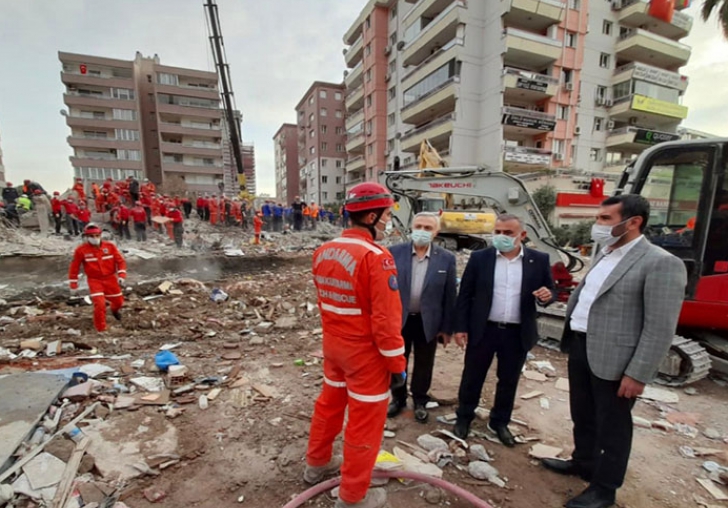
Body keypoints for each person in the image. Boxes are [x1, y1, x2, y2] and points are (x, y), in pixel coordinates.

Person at [541, 195, 687, 508]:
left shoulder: (660, 263)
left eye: (606, 219)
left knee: (613, 427)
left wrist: (637, 373)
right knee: (583, 415)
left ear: (634, 222)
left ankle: (604, 489)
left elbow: (659, 326)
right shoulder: (606, 254)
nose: (598, 225)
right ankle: (583, 463)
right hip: (582, 346)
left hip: (617, 361)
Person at [303, 182, 406, 508]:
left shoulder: (323, 251)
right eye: (387, 215)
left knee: (329, 406)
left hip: (333, 347)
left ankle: (315, 465)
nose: (389, 221)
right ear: (372, 216)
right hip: (365, 356)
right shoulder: (377, 258)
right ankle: (351, 497)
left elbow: (327, 303)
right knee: (364, 424)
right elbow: (386, 323)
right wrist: (397, 367)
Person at [452, 214, 555, 445]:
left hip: (516, 332)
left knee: (508, 380)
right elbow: (465, 295)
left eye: (508, 233)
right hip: (483, 329)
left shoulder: (538, 260)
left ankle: (499, 422)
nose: (501, 237)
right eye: (497, 232)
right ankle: (464, 417)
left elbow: (549, 290)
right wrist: (460, 327)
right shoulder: (481, 258)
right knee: (472, 377)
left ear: (522, 235)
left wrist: (548, 296)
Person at [387, 212, 457, 423]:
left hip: (429, 321)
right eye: (418, 226)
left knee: (425, 363)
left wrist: (447, 328)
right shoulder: (393, 253)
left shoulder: (446, 259)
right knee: (398, 362)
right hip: (399, 319)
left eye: (428, 228)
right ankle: (398, 399)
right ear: (411, 227)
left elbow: (449, 296)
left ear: (436, 232)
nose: (422, 231)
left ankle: (420, 400)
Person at [68, 223, 127, 333]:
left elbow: (120, 261)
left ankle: (114, 310)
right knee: (99, 305)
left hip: (111, 279)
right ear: (86, 237)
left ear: (100, 235)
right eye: (91, 236)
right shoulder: (81, 250)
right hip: (94, 280)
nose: (94, 239)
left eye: (96, 236)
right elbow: (74, 267)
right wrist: (73, 284)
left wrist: (122, 275)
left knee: (118, 302)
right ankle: (101, 328)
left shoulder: (110, 247)